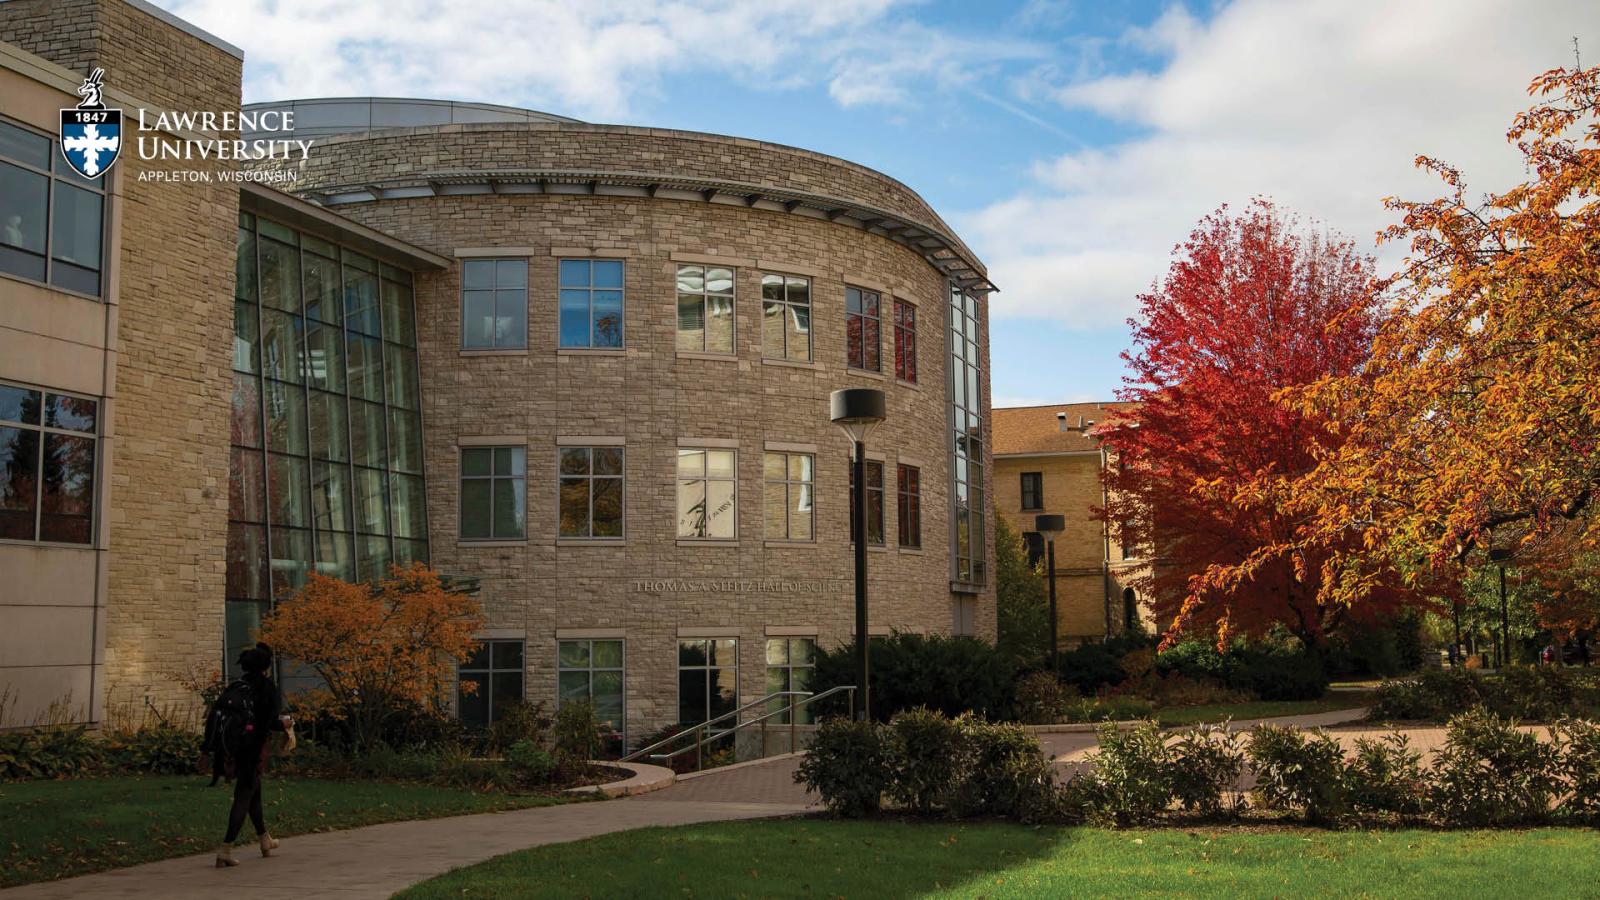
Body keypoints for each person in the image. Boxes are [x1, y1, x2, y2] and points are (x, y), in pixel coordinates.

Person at [212, 642, 292, 868]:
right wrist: (285, 723)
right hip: (253, 747)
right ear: (266, 667)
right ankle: (225, 848)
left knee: (253, 790)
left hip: (234, 746)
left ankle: (265, 839)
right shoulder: (266, 688)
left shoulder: (238, 686)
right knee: (244, 794)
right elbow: (269, 721)